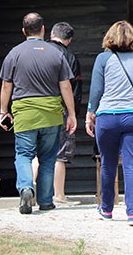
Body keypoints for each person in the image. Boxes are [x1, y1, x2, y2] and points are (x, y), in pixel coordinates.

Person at [0, 12, 77, 215]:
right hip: (51, 113)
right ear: (43, 29)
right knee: (48, 158)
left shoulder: (14, 54)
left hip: (24, 113)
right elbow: (66, 87)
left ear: (24, 31)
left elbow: (6, 86)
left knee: (24, 155)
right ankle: (45, 201)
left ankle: (26, 188)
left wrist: (3, 111)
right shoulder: (56, 54)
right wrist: (71, 114)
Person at [86, 21, 133, 227]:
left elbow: (96, 89)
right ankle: (132, 214)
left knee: (108, 163)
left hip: (107, 117)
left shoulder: (103, 59)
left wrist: (90, 113)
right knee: (132, 165)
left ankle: (106, 209)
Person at [48, 21, 82, 204]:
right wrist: (73, 113)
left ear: (52, 33)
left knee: (38, 152)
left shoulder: (40, 50)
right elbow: (73, 87)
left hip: (38, 108)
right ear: (69, 40)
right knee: (60, 153)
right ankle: (59, 195)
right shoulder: (69, 56)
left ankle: (29, 190)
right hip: (60, 108)